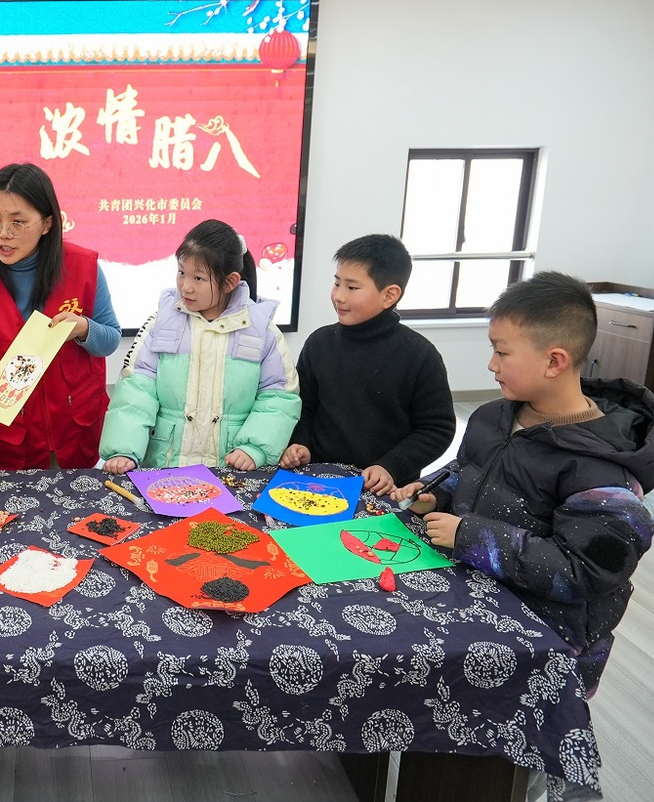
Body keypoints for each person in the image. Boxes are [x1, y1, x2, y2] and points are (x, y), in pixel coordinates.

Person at [393, 271, 653, 697]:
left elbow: (585, 572)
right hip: (474, 596)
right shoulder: (493, 416)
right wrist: (434, 492)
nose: (491, 365)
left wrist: (470, 536)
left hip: (546, 645)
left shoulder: (603, 470)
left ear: (554, 361)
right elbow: (468, 470)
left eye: (501, 352)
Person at [0, 162, 121, 470]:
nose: (3, 235)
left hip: (72, 432)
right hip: (8, 441)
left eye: (18, 223)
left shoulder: (83, 268)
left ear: (46, 223)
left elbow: (110, 340)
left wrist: (83, 328)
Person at [99, 219, 300, 472]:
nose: (186, 286)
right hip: (165, 468)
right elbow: (136, 390)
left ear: (230, 282)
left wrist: (254, 448)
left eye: (199, 278)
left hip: (230, 472)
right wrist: (124, 450)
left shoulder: (261, 330)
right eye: (181, 272)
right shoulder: (161, 324)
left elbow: (279, 397)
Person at [279, 234, 455, 494]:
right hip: (317, 478)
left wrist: (390, 466)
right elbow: (304, 406)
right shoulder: (320, 342)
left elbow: (437, 429)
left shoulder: (420, 355)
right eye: (336, 283)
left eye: (352, 288)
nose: (338, 296)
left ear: (389, 295)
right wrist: (300, 443)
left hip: (380, 489)